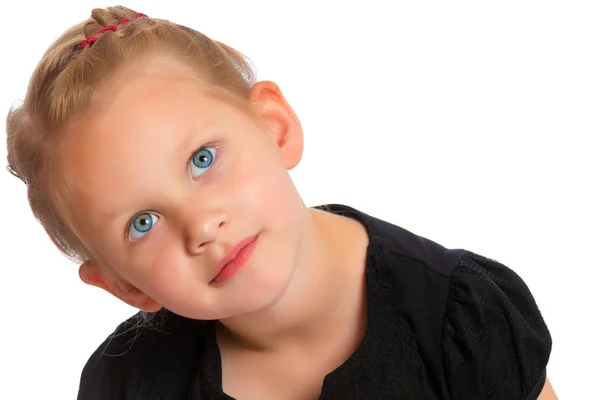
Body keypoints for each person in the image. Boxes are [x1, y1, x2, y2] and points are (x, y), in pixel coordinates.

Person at [5, 6, 556, 400]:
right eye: (143, 222)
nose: (201, 225)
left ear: (274, 127)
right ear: (125, 286)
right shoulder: (127, 385)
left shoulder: (459, 319)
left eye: (202, 159)